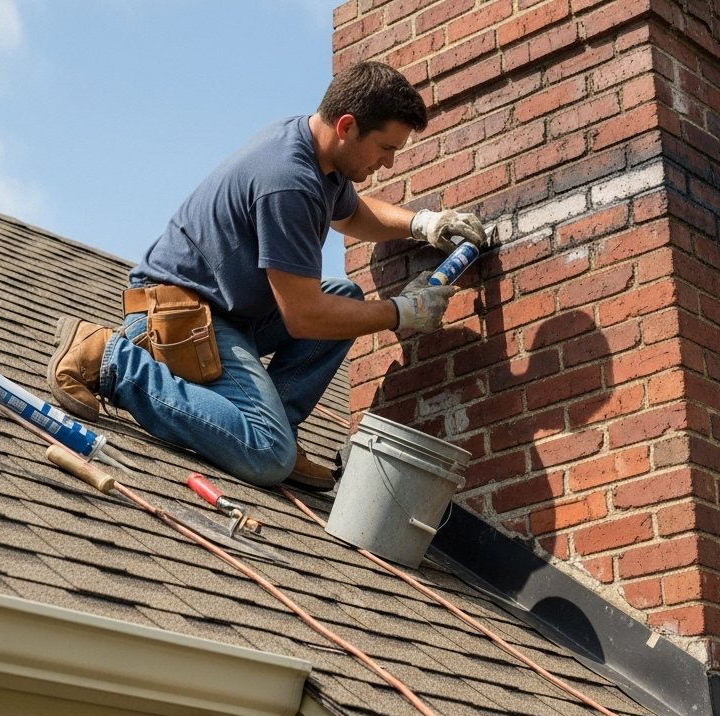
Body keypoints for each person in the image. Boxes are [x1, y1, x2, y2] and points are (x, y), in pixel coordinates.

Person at [47, 61, 487, 490]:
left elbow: (351, 214)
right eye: (386, 148)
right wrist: (399, 313)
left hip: (228, 311)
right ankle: (111, 361)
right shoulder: (289, 182)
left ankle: (277, 420)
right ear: (348, 126)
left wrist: (422, 224)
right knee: (266, 453)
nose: (388, 164)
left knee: (347, 297)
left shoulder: (316, 152)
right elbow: (303, 318)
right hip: (178, 315)